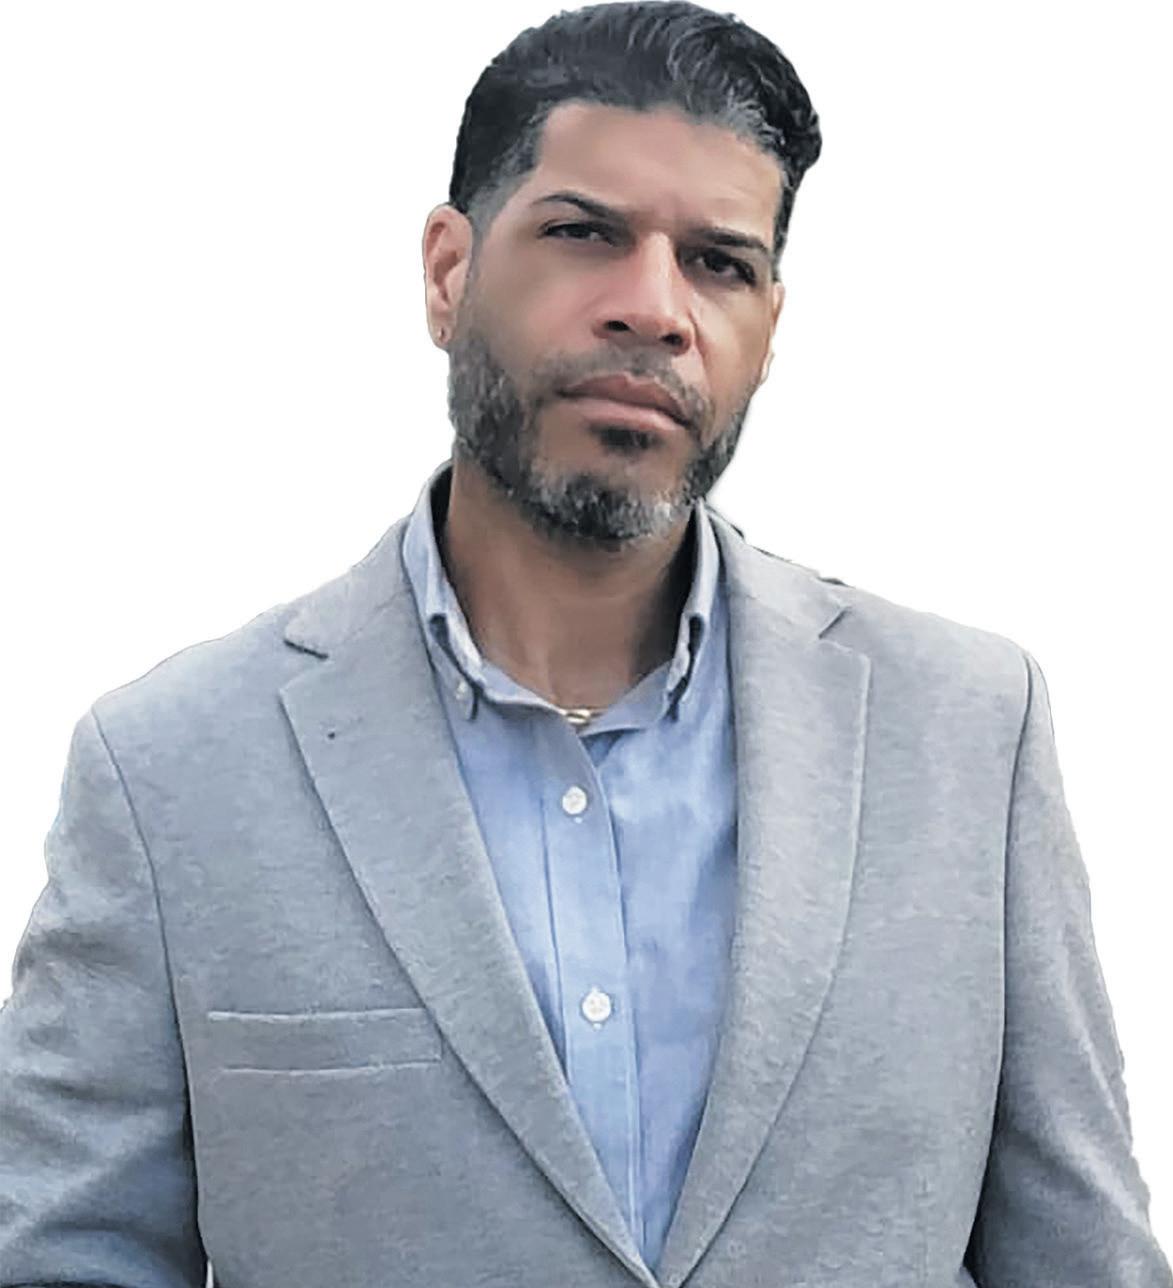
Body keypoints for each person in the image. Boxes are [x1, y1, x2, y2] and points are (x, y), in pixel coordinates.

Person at [1, 2, 1169, 1285]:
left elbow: (1082, 1257)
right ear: (447, 272)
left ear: (770, 328)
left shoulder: (968, 734)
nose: (655, 308)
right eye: (584, 234)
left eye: (718, 263)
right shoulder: (172, 770)